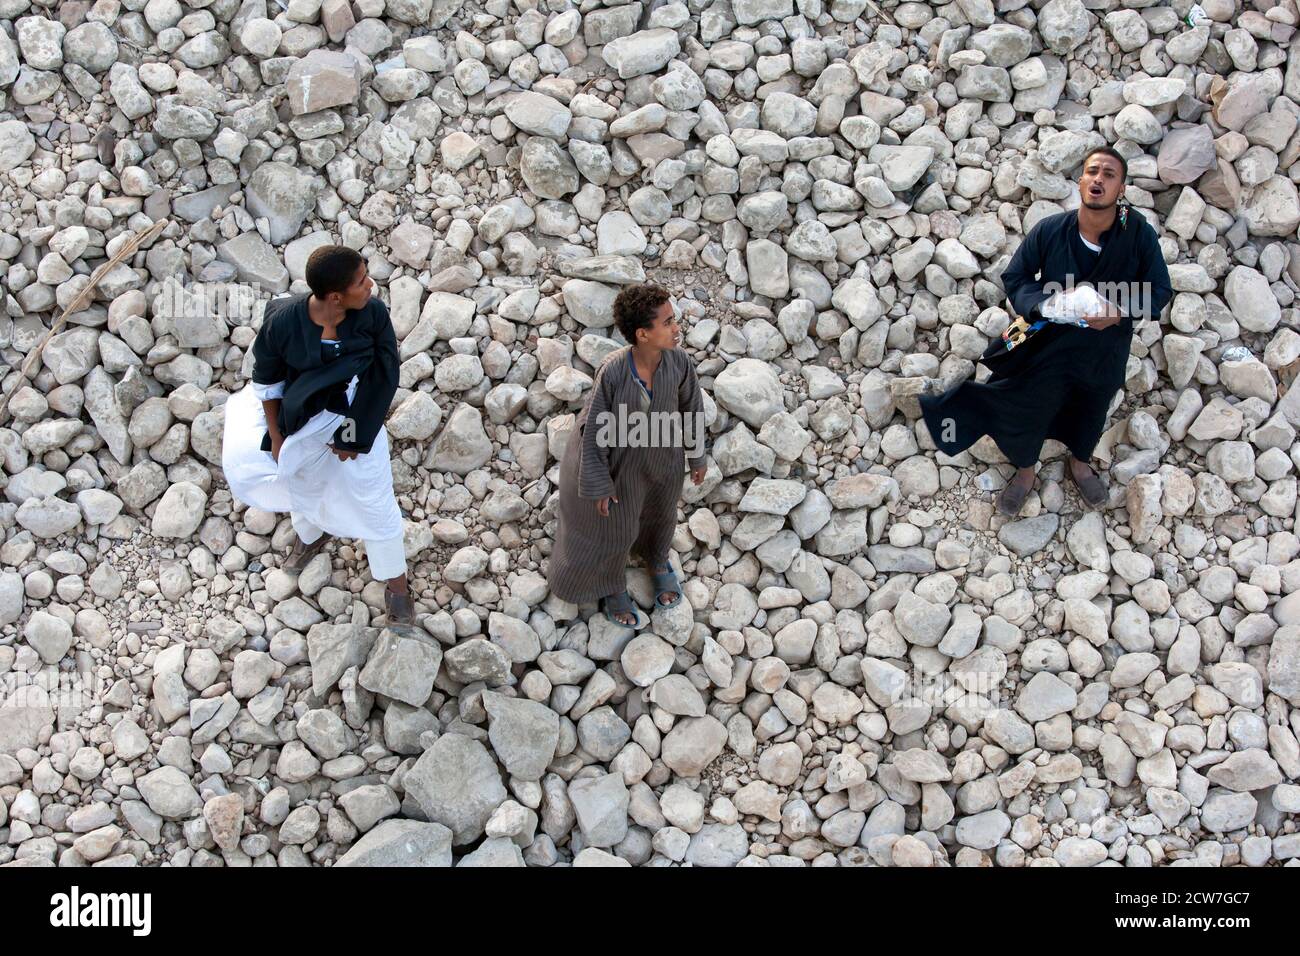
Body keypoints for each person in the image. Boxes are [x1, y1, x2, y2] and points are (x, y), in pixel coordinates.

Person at [920, 147, 1173, 517]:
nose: (1098, 179)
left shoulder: (1138, 235)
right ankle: (1025, 470)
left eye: (1109, 174)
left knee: (1091, 408)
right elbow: (1016, 278)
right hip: (1050, 343)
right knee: (1029, 406)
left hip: (1105, 348)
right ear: (1080, 181)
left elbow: (1159, 291)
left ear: (1121, 189)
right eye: (1092, 171)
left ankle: (1080, 464)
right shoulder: (1052, 230)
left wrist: (1118, 312)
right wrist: (1047, 305)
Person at [222, 245, 414, 626]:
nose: (371, 285)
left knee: (373, 499)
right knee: (301, 481)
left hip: (357, 414)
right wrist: (277, 438)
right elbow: (269, 380)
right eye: (362, 281)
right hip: (300, 418)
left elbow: (384, 376)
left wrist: (351, 437)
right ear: (335, 297)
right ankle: (312, 535)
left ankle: (397, 584)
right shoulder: (283, 319)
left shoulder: (371, 315)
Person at [548, 283, 708, 628]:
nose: (676, 328)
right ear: (643, 334)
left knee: (661, 512)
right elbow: (593, 432)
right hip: (620, 463)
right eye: (667, 323)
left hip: (663, 456)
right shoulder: (615, 372)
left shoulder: (680, 363)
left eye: (674, 319)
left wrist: (696, 457)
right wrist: (599, 483)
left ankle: (656, 558)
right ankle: (610, 583)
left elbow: (692, 410)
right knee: (613, 529)